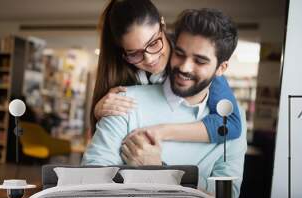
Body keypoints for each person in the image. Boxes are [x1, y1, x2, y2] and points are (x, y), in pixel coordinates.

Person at [82, 8, 247, 198]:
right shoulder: (125, 101)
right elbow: (90, 183)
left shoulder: (229, 115)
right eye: (180, 54)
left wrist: (161, 171)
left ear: (221, 68)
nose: (185, 67)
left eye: (200, 61)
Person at [91, 0, 241, 148]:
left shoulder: (192, 59)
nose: (149, 59)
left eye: (153, 43)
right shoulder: (120, 68)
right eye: (134, 53)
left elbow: (231, 124)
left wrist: (161, 131)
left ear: (163, 25)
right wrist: (98, 112)